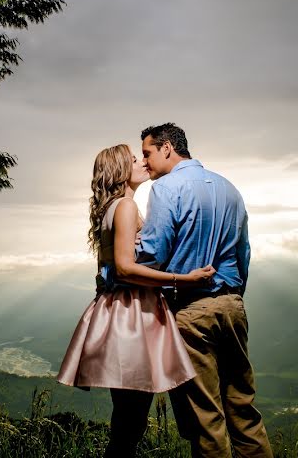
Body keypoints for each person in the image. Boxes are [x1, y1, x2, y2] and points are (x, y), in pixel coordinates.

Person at [56, 143, 216, 458]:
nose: (142, 161)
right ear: (120, 170)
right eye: (134, 159)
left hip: (119, 309)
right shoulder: (126, 208)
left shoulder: (113, 208)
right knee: (131, 420)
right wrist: (184, 279)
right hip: (131, 313)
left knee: (129, 419)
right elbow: (126, 268)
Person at [137, 123, 274, 458]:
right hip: (232, 306)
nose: (145, 162)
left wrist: (123, 258)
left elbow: (154, 254)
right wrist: (233, 293)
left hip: (191, 312)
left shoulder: (167, 188)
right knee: (244, 411)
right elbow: (244, 252)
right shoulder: (230, 189)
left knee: (206, 419)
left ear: (167, 147)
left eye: (147, 153)